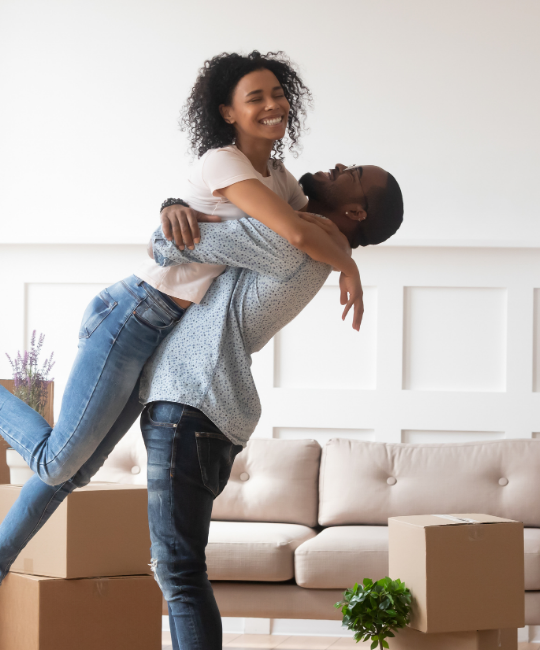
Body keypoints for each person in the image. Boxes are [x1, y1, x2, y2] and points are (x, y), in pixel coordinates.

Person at [0, 50, 377, 643]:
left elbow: (291, 228)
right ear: (227, 113)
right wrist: (344, 262)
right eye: (255, 97)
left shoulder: (282, 182)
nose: (272, 105)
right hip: (135, 314)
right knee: (59, 462)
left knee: (70, 473)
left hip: (164, 342)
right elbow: (226, 240)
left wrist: (335, 254)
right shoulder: (224, 162)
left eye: (276, 94)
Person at [142, 164, 403, 650]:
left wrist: (171, 212)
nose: (339, 166)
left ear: (354, 210)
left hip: (192, 401)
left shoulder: (291, 238)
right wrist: (171, 208)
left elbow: (169, 245)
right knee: (180, 569)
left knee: (178, 571)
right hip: (203, 407)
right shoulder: (311, 240)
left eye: (355, 173)